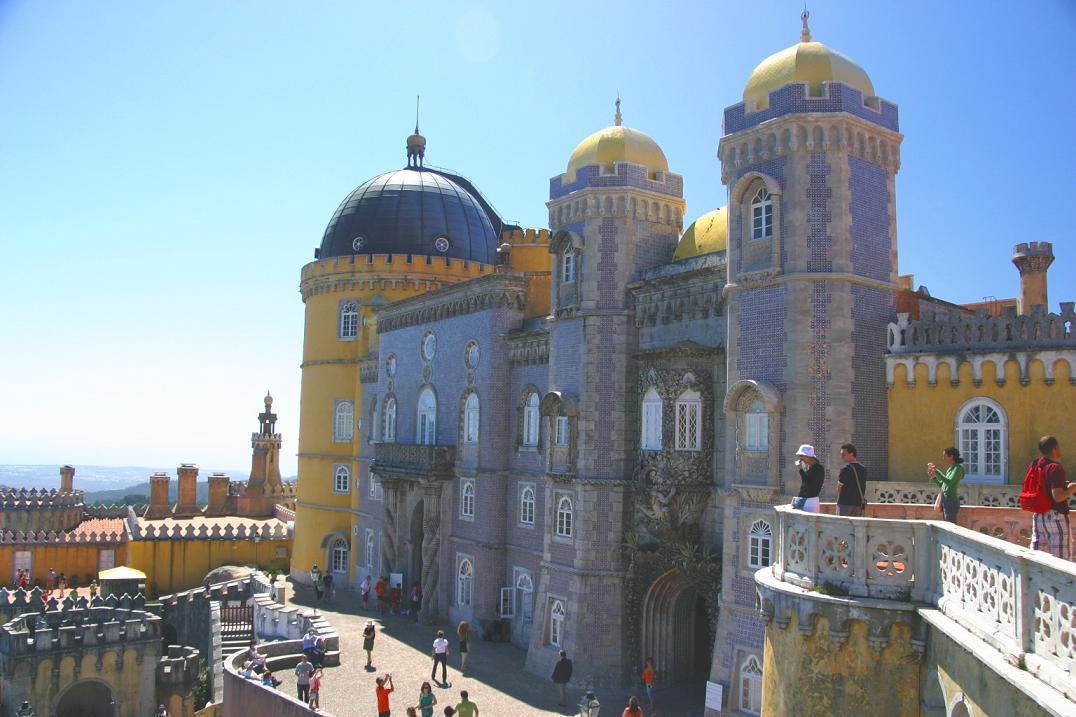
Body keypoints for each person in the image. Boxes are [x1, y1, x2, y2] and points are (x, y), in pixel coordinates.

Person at [1030, 435, 1075, 560]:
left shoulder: (1035, 464)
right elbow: (1058, 497)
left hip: (1038, 515)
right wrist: (1072, 488)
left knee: (1037, 559)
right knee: (1061, 560)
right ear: (1055, 448)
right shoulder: (1055, 468)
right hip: (1056, 517)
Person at [928, 447, 966, 523]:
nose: (943, 458)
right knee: (947, 524)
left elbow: (949, 482)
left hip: (951, 501)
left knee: (950, 525)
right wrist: (934, 477)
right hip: (945, 501)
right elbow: (943, 485)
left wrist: (937, 471)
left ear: (951, 456)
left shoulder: (958, 468)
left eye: (945, 456)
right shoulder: (951, 468)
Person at [836, 443, 867, 517]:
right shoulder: (863, 469)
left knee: (842, 523)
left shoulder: (845, 469)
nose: (841, 456)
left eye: (843, 454)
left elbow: (839, 488)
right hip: (858, 504)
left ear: (851, 454)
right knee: (856, 524)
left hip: (845, 504)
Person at [792, 444, 824, 513]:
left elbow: (808, 482)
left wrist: (800, 469)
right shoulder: (810, 467)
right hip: (805, 499)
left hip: (810, 500)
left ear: (808, 456)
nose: (800, 459)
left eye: (801, 456)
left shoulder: (818, 468)